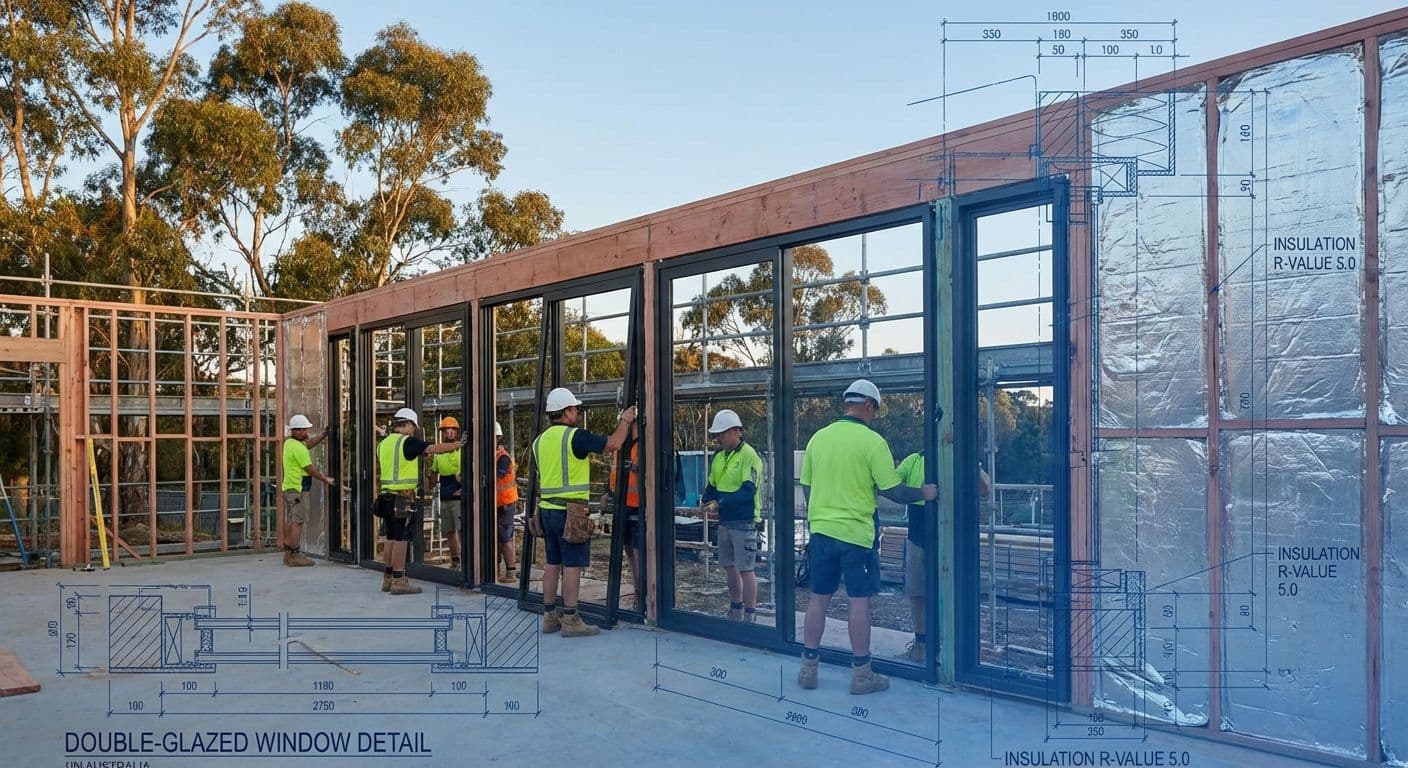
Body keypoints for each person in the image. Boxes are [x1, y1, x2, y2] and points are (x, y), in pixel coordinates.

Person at [797, 380, 938, 695]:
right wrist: (924, 493)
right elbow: (892, 490)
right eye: (876, 411)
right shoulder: (873, 442)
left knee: (819, 598)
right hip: (857, 537)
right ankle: (861, 674)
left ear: (848, 403)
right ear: (869, 406)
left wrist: (821, 513)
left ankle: (809, 668)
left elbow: (807, 486)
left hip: (821, 532)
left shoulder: (818, 439)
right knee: (858, 602)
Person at [530, 387, 635, 637]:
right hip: (571, 512)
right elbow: (614, 443)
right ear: (565, 412)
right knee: (573, 566)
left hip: (547, 509)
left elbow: (542, 477)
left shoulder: (539, 441)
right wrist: (626, 420)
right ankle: (571, 620)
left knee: (552, 564)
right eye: (574, 409)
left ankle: (549, 617)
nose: (577, 412)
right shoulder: (574, 436)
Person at [893, 451, 989, 662]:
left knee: (951, 592)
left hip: (950, 539)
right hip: (918, 537)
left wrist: (972, 465)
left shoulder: (960, 458)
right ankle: (922, 646)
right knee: (917, 593)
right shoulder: (914, 460)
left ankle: (955, 649)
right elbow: (891, 487)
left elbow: (985, 489)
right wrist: (920, 493)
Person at [375, 408, 461, 595]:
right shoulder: (407, 442)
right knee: (401, 538)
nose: (414, 430)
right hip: (402, 498)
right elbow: (432, 449)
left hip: (386, 497)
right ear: (406, 424)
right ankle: (399, 579)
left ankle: (388, 578)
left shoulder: (383, 444)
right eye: (413, 426)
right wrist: (458, 444)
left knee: (390, 537)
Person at [700, 409, 764, 622]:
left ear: (736, 431)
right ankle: (735, 608)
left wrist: (719, 503)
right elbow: (712, 485)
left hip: (744, 521)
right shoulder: (719, 457)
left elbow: (748, 492)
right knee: (729, 567)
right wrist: (705, 500)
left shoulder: (749, 456)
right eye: (716, 434)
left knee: (746, 569)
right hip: (725, 521)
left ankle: (750, 613)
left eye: (721, 433)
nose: (717, 438)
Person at [280, 415, 334, 567]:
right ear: (295, 431)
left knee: (292, 520)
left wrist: (323, 435)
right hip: (298, 490)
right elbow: (310, 469)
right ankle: (295, 555)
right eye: (304, 430)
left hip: (290, 489)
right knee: (298, 522)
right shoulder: (298, 448)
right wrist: (326, 479)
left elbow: (309, 443)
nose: (306, 432)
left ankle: (288, 553)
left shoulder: (290, 443)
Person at [608, 420, 645, 611]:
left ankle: (642, 595)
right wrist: (608, 493)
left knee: (638, 553)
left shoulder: (644, 445)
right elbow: (614, 475)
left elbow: (651, 473)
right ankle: (638, 591)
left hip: (639, 506)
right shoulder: (619, 446)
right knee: (629, 551)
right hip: (623, 507)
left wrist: (636, 468)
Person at [427, 416, 465, 571]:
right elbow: (434, 474)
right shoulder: (439, 452)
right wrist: (429, 481)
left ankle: (466, 561)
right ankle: (455, 560)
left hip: (459, 496)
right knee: (449, 531)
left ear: (457, 431)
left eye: (452, 429)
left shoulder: (463, 450)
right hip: (445, 494)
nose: (450, 432)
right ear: (442, 432)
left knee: (462, 529)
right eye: (446, 430)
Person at [494, 421, 520, 584]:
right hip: (498, 503)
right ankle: (496, 570)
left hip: (506, 503)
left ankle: (511, 571)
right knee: (497, 537)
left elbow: (499, 475)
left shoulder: (502, 457)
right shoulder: (494, 455)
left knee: (505, 537)